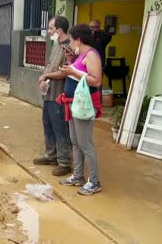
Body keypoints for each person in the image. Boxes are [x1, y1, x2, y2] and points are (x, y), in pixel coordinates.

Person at [57, 24, 103, 196]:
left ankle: (94, 181)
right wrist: (70, 64)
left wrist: (72, 71)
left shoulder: (91, 55)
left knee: (85, 143)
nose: (72, 43)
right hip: (73, 103)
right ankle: (77, 175)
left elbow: (96, 80)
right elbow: (78, 73)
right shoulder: (80, 55)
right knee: (75, 141)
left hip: (84, 104)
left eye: (73, 39)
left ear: (79, 39)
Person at [34, 16, 72, 176]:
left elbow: (65, 71)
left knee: (60, 128)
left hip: (60, 96)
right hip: (49, 94)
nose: (48, 31)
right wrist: (44, 78)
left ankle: (64, 162)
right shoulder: (56, 45)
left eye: (50, 28)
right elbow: (50, 65)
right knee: (47, 124)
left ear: (59, 30)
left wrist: (46, 76)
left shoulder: (69, 48)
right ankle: (51, 155)